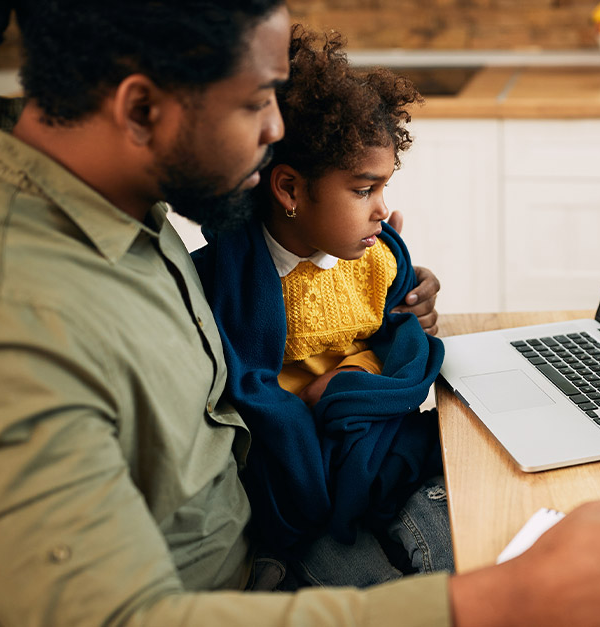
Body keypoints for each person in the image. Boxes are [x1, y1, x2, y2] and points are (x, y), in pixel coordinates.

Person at [0, 2, 600, 626]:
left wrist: (366, 278)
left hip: (263, 553)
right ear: (142, 108)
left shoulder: (105, 201)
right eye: (259, 100)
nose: (276, 129)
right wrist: (505, 598)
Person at [191, 27, 451, 587]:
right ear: (288, 190)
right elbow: (244, 398)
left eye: (384, 188)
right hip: (297, 474)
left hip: (376, 446)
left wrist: (349, 381)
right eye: (363, 191)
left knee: (458, 546)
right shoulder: (227, 280)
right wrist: (309, 409)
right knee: (370, 588)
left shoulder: (375, 258)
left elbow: (402, 341)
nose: (383, 210)